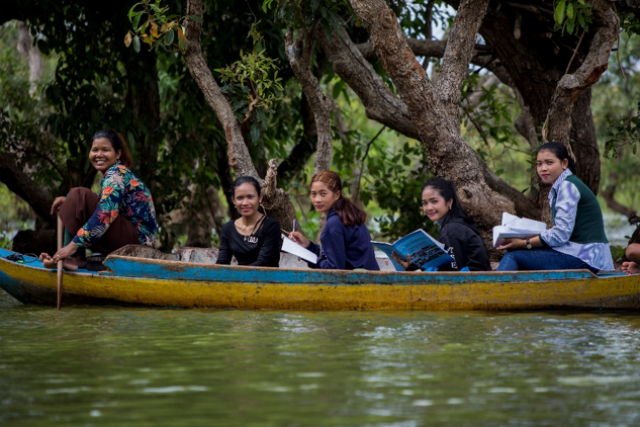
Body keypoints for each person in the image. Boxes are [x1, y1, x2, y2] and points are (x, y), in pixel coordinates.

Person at [41, 129, 158, 268]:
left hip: (138, 246)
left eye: (105, 150)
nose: (99, 155)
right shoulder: (115, 173)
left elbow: (106, 214)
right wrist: (68, 202)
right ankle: (73, 259)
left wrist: (71, 246)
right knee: (75, 197)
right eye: (95, 150)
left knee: (79, 194)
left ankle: (71, 257)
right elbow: (105, 206)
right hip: (133, 242)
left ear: (118, 153)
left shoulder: (116, 174)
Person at [496, 142, 614, 273]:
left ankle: (491, 292)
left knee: (513, 256)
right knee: (522, 252)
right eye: (539, 164)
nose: (543, 168)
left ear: (564, 163)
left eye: (549, 162)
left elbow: (560, 234)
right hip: (580, 253)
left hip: (586, 257)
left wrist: (525, 243)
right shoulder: (562, 185)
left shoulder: (567, 187)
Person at [393, 178, 491, 272]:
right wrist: (412, 267)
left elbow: (453, 276)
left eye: (434, 201)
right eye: (424, 203)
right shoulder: (452, 225)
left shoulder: (452, 230)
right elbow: (447, 269)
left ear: (449, 201)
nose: (429, 207)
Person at [289, 171, 379, 271]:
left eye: (323, 194)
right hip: (371, 280)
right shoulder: (348, 216)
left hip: (356, 284)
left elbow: (334, 269)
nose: (317, 199)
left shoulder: (335, 224)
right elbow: (337, 254)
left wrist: (307, 257)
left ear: (336, 194)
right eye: (313, 194)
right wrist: (308, 246)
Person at [216, 176, 281, 268]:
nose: (245, 202)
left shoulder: (270, 225)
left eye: (250, 197)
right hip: (239, 280)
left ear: (260, 197)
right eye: (240, 198)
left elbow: (264, 262)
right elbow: (222, 262)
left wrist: (236, 275)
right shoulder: (228, 228)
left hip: (267, 279)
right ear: (233, 200)